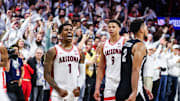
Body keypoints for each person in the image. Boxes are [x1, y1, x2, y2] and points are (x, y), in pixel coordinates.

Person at [44, 23, 85, 101]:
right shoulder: (52, 51)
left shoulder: (79, 52)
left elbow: (82, 73)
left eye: (71, 30)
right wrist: (58, 89)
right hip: (57, 93)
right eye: (66, 30)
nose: (69, 32)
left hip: (73, 92)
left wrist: (79, 87)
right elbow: (46, 74)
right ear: (60, 35)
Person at [116, 19, 153, 101]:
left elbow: (128, 67)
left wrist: (143, 87)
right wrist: (135, 91)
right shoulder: (140, 46)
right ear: (141, 29)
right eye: (145, 26)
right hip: (133, 90)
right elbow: (135, 70)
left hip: (122, 87)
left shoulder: (127, 43)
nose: (147, 29)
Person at [94, 20, 125, 101]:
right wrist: (97, 88)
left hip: (123, 80)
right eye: (109, 27)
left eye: (113, 27)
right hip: (109, 81)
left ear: (119, 28)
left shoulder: (125, 42)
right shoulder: (104, 45)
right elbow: (101, 68)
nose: (111, 29)